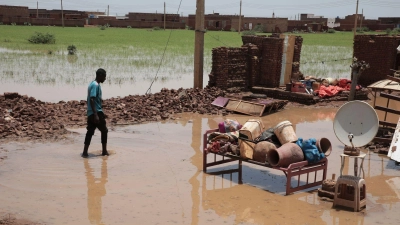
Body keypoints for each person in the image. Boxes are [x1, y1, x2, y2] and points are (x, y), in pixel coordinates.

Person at [82, 68, 109, 157]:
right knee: (104, 130)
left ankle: (85, 152)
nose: (105, 78)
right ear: (100, 76)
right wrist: (96, 114)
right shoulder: (95, 85)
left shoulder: (92, 84)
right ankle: (104, 151)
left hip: (90, 112)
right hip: (95, 112)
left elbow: (94, 99)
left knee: (90, 132)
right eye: (104, 76)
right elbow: (92, 99)